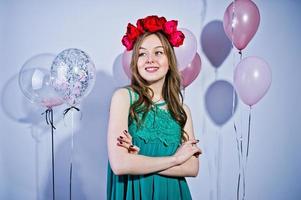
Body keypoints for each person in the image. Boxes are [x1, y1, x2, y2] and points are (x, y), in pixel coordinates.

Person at [107, 15, 201, 200]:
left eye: (158, 52)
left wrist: (139, 160)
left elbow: (192, 168)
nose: (150, 59)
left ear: (170, 61)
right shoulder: (124, 97)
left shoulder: (182, 112)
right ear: (135, 62)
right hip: (134, 192)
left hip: (174, 194)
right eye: (142, 53)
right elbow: (119, 164)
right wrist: (176, 159)